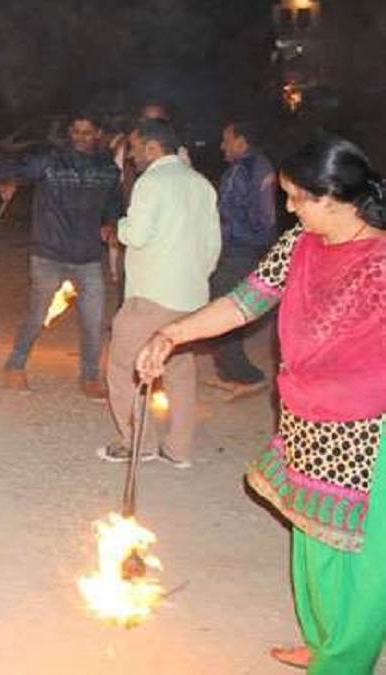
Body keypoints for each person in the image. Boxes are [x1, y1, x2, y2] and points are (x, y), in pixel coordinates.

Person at [135, 134, 386, 673]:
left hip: (368, 429)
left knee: (360, 558)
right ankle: (325, 641)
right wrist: (173, 334)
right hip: (305, 413)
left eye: (298, 198)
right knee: (312, 538)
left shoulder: (382, 260)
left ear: (335, 197)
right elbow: (244, 301)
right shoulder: (300, 244)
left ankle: (345, 661)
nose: (289, 209)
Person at [100, 118, 220, 467]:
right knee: (180, 373)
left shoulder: (151, 182)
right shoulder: (201, 184)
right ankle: (178, 450)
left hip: (150, 297)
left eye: (136, 149)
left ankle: (138, 443)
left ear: (153, 147)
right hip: (191, 299)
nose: (133, 157)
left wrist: (117, 228)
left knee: (124, 369)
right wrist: (196, 278)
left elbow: (137, 234)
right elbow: (213, 244)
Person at [0, 112, 123, 399]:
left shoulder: (107, 168)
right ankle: (15, 366)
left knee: (93, 320)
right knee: (38, 314)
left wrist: (110, 221)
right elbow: (11, 162)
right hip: (49, 252)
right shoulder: (50, 159)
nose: (81, 137)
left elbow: (114, 202)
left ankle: (90, 377)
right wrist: (7, 180)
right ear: (69, 133)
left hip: (89, 256)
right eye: (76, 131)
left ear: (98, 134)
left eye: (87, 132)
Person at [207, 120, 278, 398]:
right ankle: (231, 372)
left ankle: (246, 376)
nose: (222, 146)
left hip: (238, 249)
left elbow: (238, 216)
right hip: (251, 247)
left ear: (241, 140)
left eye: (227, 140)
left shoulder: (243, 171)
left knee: (221, 308)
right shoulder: (259, 165)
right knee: (230, 305)